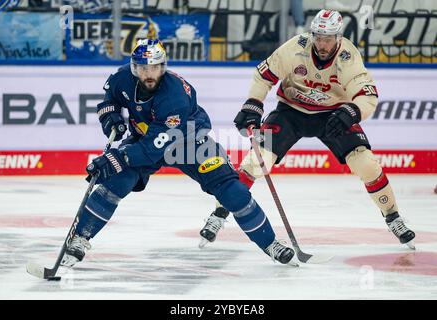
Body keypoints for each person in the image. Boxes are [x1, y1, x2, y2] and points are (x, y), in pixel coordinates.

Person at [60, 39, 297, 268]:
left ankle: (271, 244)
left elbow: (156, 146)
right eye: (143, 68)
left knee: (232, 191)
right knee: (117, 181)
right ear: (134, 68)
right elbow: (109, 100)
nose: (149, 74)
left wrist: (116, 159)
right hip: (147, 137)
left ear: (163, 67)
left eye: (155, 67)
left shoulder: (175, 96)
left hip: (189, 141)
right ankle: (81, 238)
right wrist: (110, 117)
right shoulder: (121, 78)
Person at [200, 9, 416, 250]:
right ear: (312, 34)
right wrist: (254, 104)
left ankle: (393, 216)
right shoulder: (295, 47)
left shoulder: (347, 56)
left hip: (332, 115)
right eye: (319, 37)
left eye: (329, 38)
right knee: (255, 161)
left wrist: (352, 111)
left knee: (367, 164)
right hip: (291, 112)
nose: (323, 44)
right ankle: (219, 214)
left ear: (338, 37)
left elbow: (367, 95)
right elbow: (264, 75)